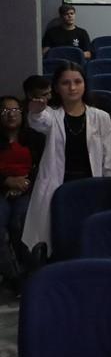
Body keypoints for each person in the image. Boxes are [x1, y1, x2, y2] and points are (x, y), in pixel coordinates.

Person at [24, 63, 111, 259]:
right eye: (65, 83)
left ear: (85, 84)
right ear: (56, 88)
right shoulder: (52, 115)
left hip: (92, 185)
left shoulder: (100, 117)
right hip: (60, 187)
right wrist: (35, 112)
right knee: (63, 241)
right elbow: (39, 122)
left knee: (91, 239)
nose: (72, 87)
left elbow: (110, 158)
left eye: (77, 82)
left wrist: (109, 188)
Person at [0, 95, 40, 281]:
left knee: (20, 222)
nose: (11, 114)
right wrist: (7, 181)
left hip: (28, 189)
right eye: (5, 111)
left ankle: (31, 273)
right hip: (2, 190)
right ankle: (14, 277)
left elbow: (44, 167)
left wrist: (26, 183)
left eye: (15, 110)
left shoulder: (34, 138)